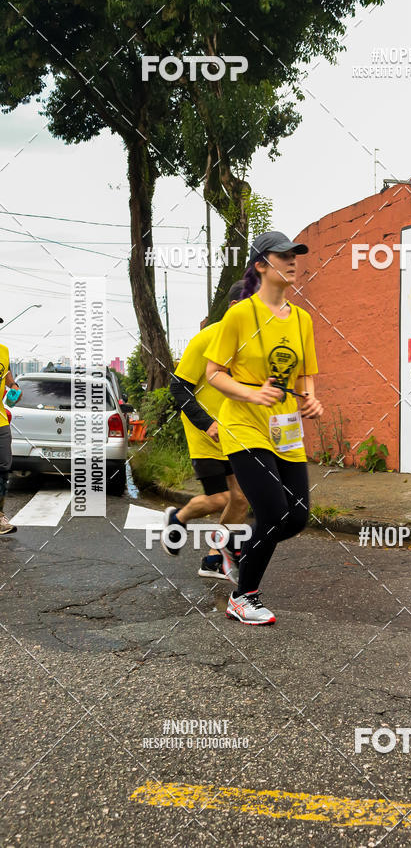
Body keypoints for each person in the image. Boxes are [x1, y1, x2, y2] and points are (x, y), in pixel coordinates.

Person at [205, 231, 323, 625]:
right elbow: (214, 374)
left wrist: (310, 397)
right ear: (261, 265)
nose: (293, 261)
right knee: (272, 512)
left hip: (285, 428)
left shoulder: (302, 319)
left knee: (298, 516)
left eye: (295, 256)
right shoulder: (240, 315)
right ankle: (242, 597)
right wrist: (252, 395)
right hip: (243, 425)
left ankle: (239, 546)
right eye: (283, 256)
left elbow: (305, 374)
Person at [162, 281, 248, 583]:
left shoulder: (249, 345)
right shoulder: (207, 339)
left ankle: (213, 559)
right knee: (221, 499)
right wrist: (207, 422)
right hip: (206, 435)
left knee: (241, 499)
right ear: (236, 307)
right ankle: (179, 517)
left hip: (236, 434)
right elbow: (178, 387)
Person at [0, 328, 18, 535]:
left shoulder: (3, 351)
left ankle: (0, 517)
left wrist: (15, 387)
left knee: (3, 467)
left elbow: (7, 377)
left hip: (1, 421)